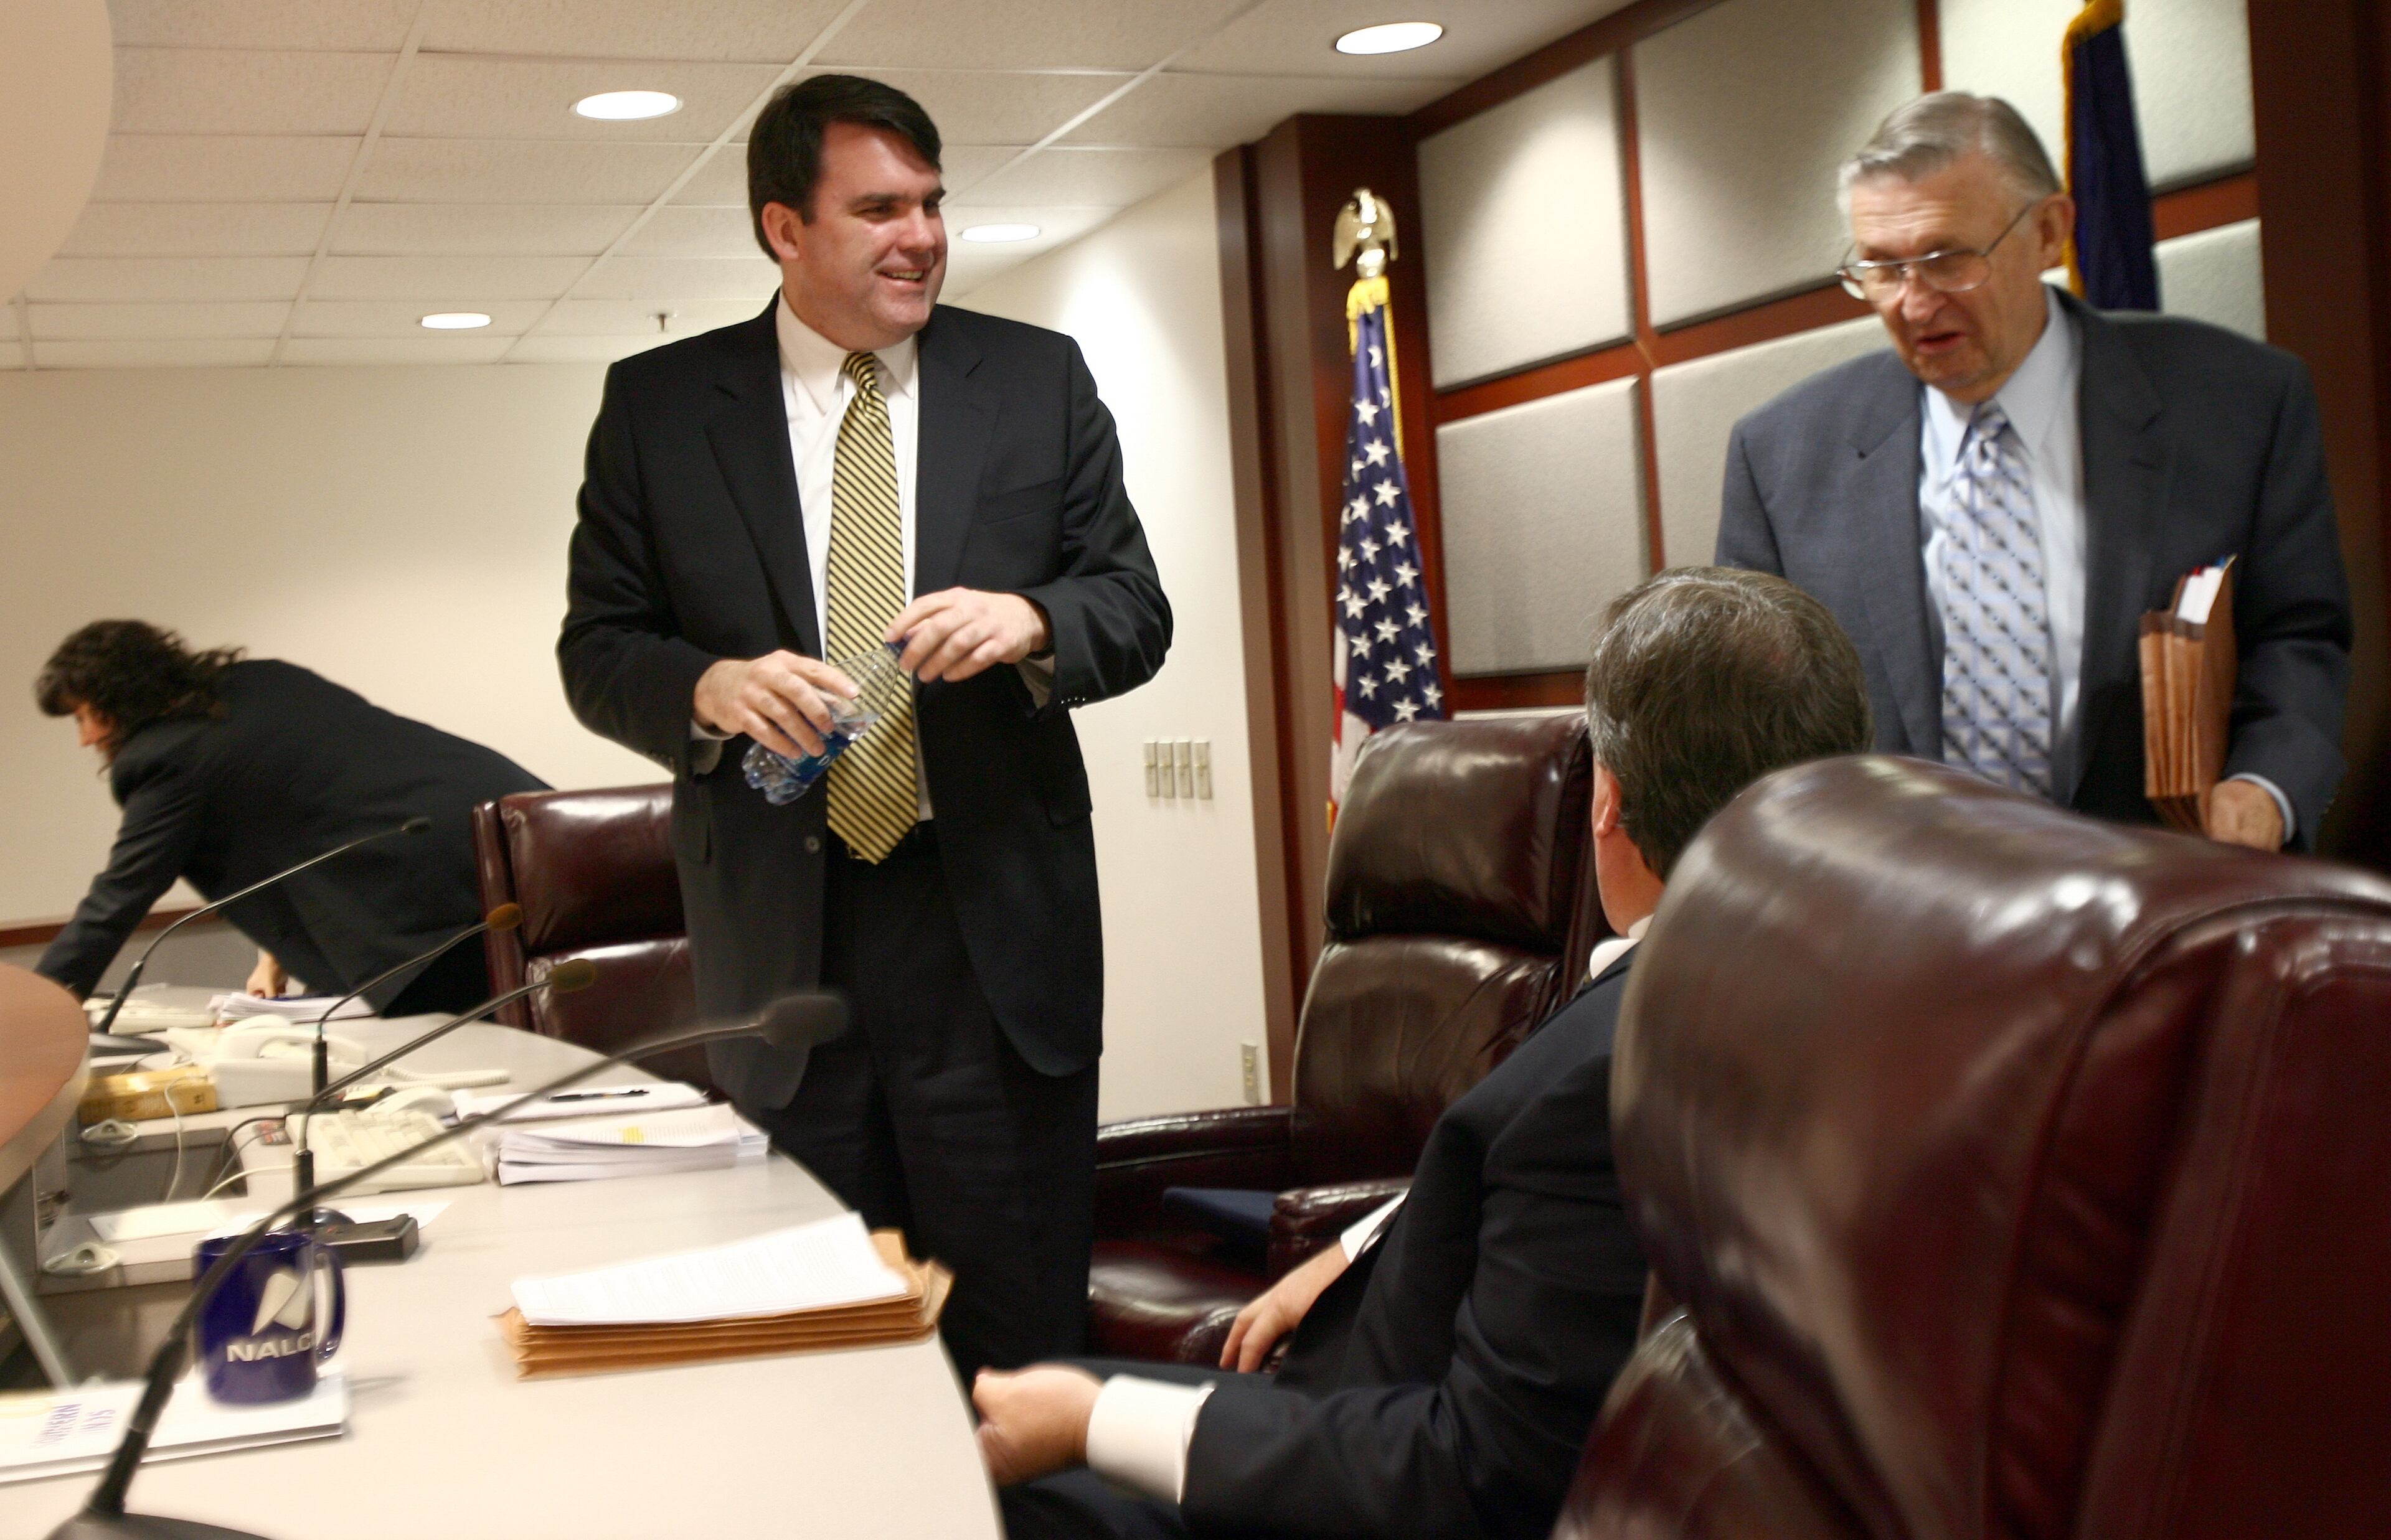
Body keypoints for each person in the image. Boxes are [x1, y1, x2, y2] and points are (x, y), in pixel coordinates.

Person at [971, 568, 1875, 1540]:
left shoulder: (1605, 1077)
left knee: (1001, 1467)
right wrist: (1361, 1243)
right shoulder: (1847, 995)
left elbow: (1471, 1478)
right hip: (1370, 1392)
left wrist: (1091, 1423)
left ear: (1607, 799)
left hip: (1361, 1474)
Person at [557, 74, 1171, 1381]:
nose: (924, 237)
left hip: (993, 933)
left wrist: (1036, 619)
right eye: (880, 208)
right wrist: (707, 690)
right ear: (785, 228)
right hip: (788, 951)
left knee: (1015, 1348)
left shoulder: (1036, 378)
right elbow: (597, 650)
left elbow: (1134, 604)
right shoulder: (661, 407)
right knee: (820, 1351)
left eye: (935, 204)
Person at [1717, 92, 2351, 852]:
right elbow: (1756, 715)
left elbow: (2299, 634)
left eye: (1948, 258)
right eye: (1881, 269)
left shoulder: (2238, 403)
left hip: (2168, 901)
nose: (1914, 304)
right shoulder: (1780, 454)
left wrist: (2263, 791)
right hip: (1895, 919)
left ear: (2049, 232)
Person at [34, 620, 547, 1014]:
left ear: (118, 698)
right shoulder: (266, 680)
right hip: (527, 831)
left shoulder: (163, 759)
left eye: (84, 716)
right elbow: (313, 807)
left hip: (422, 908)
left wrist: (33, 1016)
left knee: (486, 1072)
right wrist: (274, 956)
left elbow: (118, 897)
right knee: (571, 1027)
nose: (86, 738)